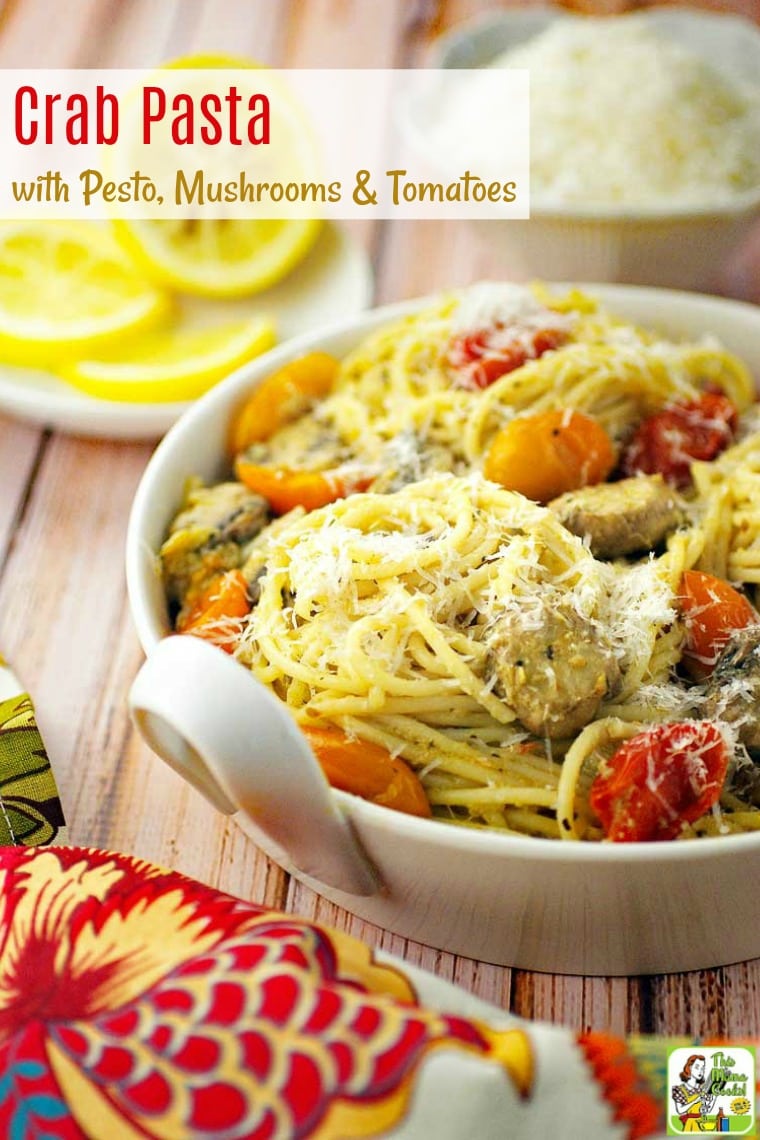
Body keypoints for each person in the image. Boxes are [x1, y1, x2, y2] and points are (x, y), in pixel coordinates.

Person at [671, 1055, 717, 1132]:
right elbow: (680, 1110)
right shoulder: (679, 1089)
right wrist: (695, 1101)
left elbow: (707, 1110)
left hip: (701, 1124)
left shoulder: (703, 1089)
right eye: (697, 1067)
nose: (700, 1071)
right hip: (690, 1125)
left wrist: (714, 1096)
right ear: (689, 1068)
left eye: (702, 1068)